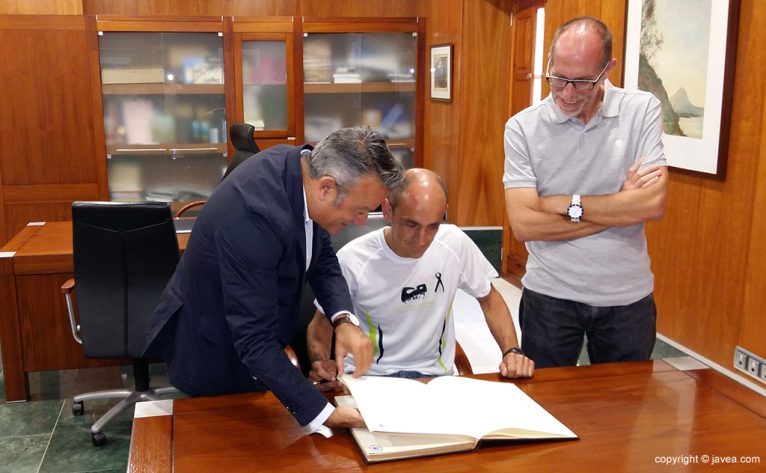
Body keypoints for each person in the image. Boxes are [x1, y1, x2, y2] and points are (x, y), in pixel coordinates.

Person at [144, 126, 405, 431]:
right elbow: (253, 339)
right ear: (327, 188)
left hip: (257, 344)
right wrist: (325, 415)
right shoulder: (253, 218)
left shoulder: (301, 167)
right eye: (360, 211)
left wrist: (344, 320)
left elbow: (322, 259)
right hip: (214, 352)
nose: (362, 222)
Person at [503, 16, 668, 368]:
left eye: (581, 82)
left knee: (621, 411)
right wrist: (620, 208)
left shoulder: (642, 111)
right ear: (548, 63)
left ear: (608, 69)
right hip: (550, 295)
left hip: (627, 297)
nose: (566, 93)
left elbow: (653, 203)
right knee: (544, 410)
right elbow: (524, 225)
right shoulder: (522, 128)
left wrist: (566, 204)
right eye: (558, 78)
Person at [307, 168, 534, 382]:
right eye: (411, 225)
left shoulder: (454, 243)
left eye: (433, 226)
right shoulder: (353, 259)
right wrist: (321, 364)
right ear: (387, 209)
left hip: (435, 379)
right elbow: (320, 327)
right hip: (371, 379)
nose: (423, 239)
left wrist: (511, 350)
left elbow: (489, 299)